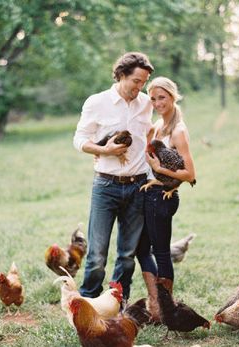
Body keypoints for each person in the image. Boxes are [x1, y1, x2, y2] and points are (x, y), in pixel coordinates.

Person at [73, 52, 154, 300]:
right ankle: (88, 303)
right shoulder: (96, 102)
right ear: (121, 75)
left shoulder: (146, 103)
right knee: (97, 254)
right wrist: (103, 150)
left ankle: (119, 303)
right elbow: (79, 140)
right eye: (136, 81)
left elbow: (150, 137)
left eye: (144, 82)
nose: (140, 88)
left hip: (138, 185)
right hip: (106, 186)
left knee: (127, 254)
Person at [136, 76, 196, 322]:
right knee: (142, 248)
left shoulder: (179, 131)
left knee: (160, 252)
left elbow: (190, 173)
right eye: (153, 98)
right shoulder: (159, 126)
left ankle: (165, 308)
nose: (157, 102)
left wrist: (159, 168)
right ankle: (157, 303)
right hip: (153, 193)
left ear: (173, 97)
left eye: (162, 97)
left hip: (164, 198)